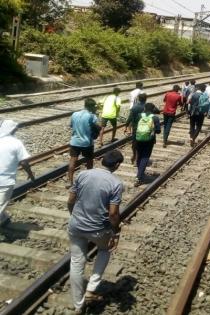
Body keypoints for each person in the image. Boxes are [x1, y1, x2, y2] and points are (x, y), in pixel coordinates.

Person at [67, 150, 124, 314]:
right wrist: (116, 232)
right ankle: (91, 288)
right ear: (117, 165)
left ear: (101, 160)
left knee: (76, 262)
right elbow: (113, 214)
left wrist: (74, 217)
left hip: (76, 226)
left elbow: (71, 200)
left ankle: (78, 305)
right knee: (105, 249)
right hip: (98, 229)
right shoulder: (115, 183)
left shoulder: (83, 175)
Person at [0, 120, 35, 226]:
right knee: (1, 204)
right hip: (6, 181)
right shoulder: (16, 143)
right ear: (13, 130)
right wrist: (30, 173)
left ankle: (5, 220)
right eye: (15, 129)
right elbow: (24, 162)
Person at [68, 98, 100, 187]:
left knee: (72, 161)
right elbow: (98, 127)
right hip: (87, 143)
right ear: (92, 107)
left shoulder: (74, 114)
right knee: (89, 162)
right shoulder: (92, 116)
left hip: (74, 141)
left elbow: (71, 125)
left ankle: (69, 182)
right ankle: (89, 181)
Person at [134, 103, 161, 187]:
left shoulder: (139, 115)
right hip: (149, 140)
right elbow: (158, 131)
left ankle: (140, 173)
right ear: (153, 109)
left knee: (139, 156)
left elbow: (135, 126)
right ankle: (139, 176)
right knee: (145, 157)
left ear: (144, 108)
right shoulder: (155, 118)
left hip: (138, 139)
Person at [124, 93, 147, 164]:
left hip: (135, 128)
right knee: (142, 143)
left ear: (139, 99)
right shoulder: (146, 107)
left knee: (134, 143)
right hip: (144, 128)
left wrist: (126, 125)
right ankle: (138, 157)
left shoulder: (134, 107)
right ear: (145, 99)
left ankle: (134, 155)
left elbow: (130, 118)